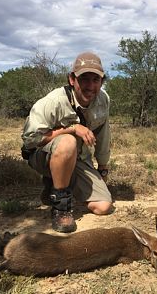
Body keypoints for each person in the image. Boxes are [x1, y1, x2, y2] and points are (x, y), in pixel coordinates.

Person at [21, 51, 113, 233]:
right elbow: (30, 140)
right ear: (72, 79)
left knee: (103, 206)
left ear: (102, 81)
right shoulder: (53, 101)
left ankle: (54, 187)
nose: (90, 86)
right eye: (84, 79)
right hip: (43, 156)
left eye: (96, 80)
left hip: (79, 158)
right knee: (67, 142)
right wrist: (71, 128)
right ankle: (61, 206)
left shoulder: (103, 99)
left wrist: (102, 167)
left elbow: (103, 133)